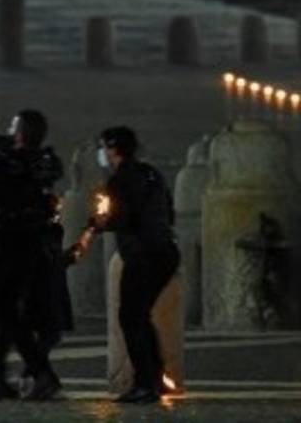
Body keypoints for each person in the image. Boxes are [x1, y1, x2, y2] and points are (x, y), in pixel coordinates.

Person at [79, 126, 179, 405]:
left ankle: (145, 384)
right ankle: (156, 378)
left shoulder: (121, 180)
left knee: (131, 316)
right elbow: (168, 212)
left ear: (112, 149)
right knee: (140, 315)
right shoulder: (151, 174)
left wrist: (96, 226)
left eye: (103, 147)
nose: (102, 153)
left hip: (142, 254)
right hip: (165, 251)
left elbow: (120, 218)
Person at [0, 110, 66, 400]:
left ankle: (39, 373)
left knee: (3, 309)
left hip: (7, 242)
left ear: (21, 132)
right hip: (33, 243)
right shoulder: (45, 162)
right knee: (7, 308)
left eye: (14, 126)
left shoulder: (7, 164)